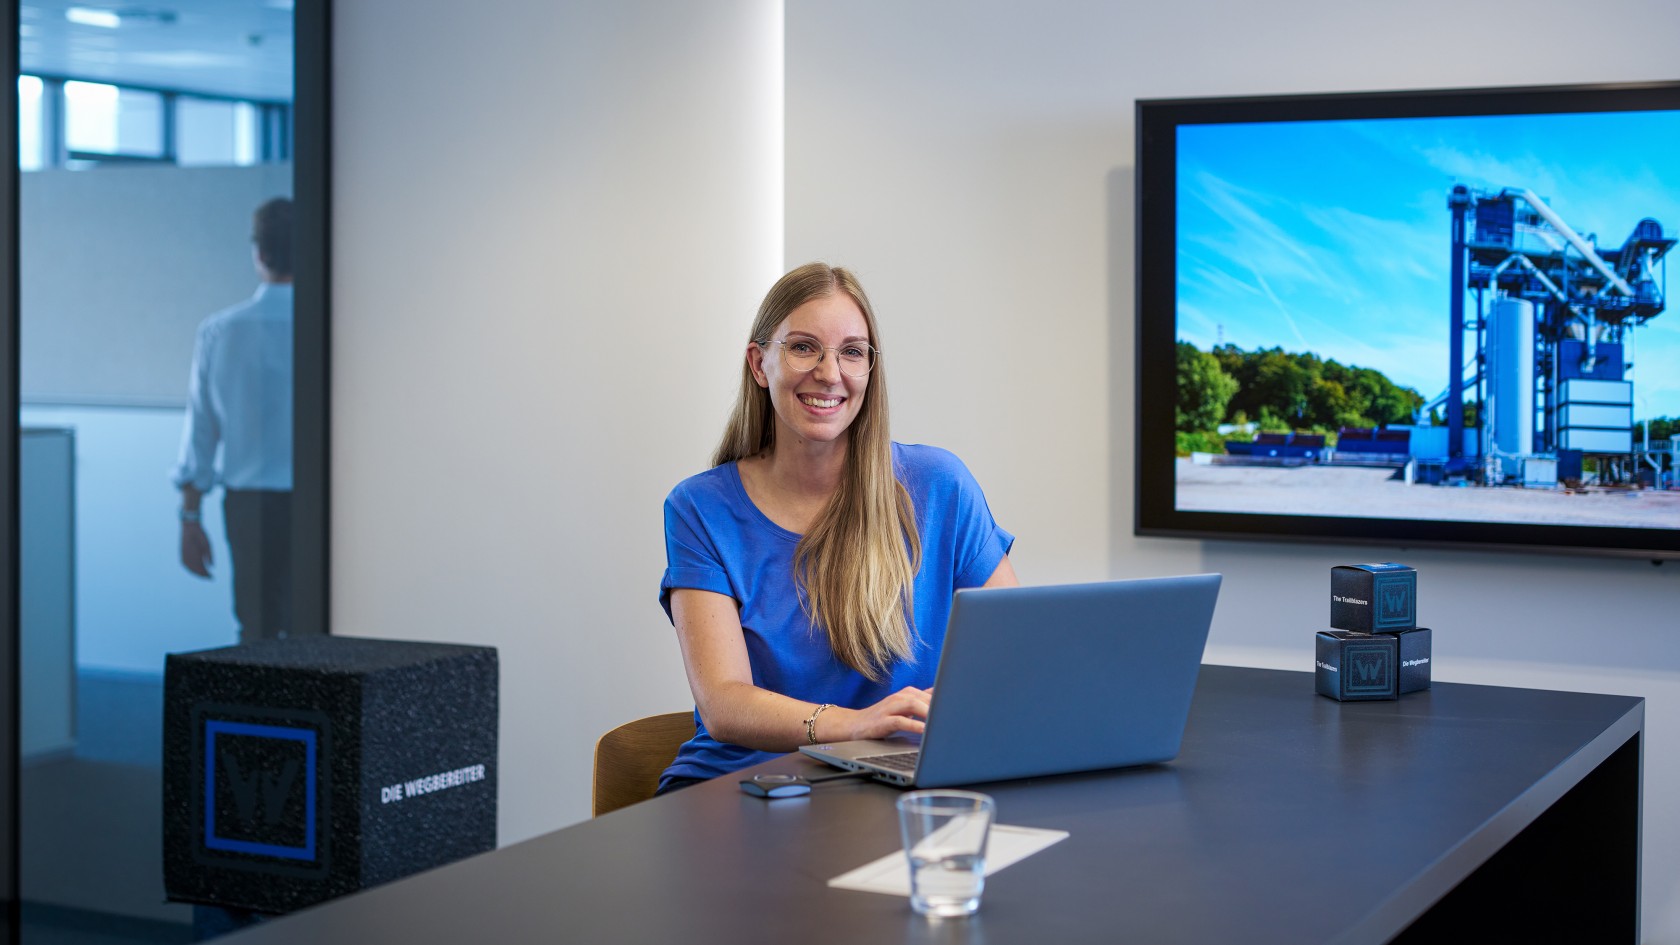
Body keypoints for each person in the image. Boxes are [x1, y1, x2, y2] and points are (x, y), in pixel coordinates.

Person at [658, 262, 1018, 791]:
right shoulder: (700, 507)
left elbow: (1012, 652)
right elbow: (724, 703)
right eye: (804, 347)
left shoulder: (940, 485)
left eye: (852, 352)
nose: (830, 373)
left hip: (896, 779)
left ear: (870, 370)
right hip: (748, 783)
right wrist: (855, 725)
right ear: (760, 364)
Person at [172, 197, 296, 642]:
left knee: (257, 632)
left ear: (259, 253)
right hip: (322, 503)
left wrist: (189, 519)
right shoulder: (336, 323)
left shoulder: (220, 331)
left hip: (250, 506)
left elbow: (201, 433)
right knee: (323, 636)